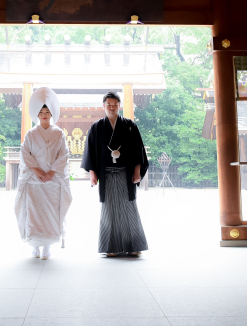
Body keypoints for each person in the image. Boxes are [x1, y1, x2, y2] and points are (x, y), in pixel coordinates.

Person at [81, 91, 149, 257]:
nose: (112, 108)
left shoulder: (130, 125)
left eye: (115, 105)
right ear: (104, 106)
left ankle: (134, 246)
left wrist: (137, 171)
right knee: (109, 209)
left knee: (129, 207)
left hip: (126, 173)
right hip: (106, 175)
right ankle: (110, 247)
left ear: (119, 106)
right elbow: (90, 151)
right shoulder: (96, 127)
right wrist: (92, 173)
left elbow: (138, 150)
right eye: (109, 105)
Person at [14, 86, 72, 260]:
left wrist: (52, 171)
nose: (44, 114)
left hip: (52, 181)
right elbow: (25, 153)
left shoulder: (59, 134)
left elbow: (64, 154)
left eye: (47, 111)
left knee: (50, 213)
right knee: (34, 213)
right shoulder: (31, 134)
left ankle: (47, 247)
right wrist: (36, 170)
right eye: (41, 112)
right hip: (34, 180)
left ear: (52, 113)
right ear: (37, 114)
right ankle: (35, 246)